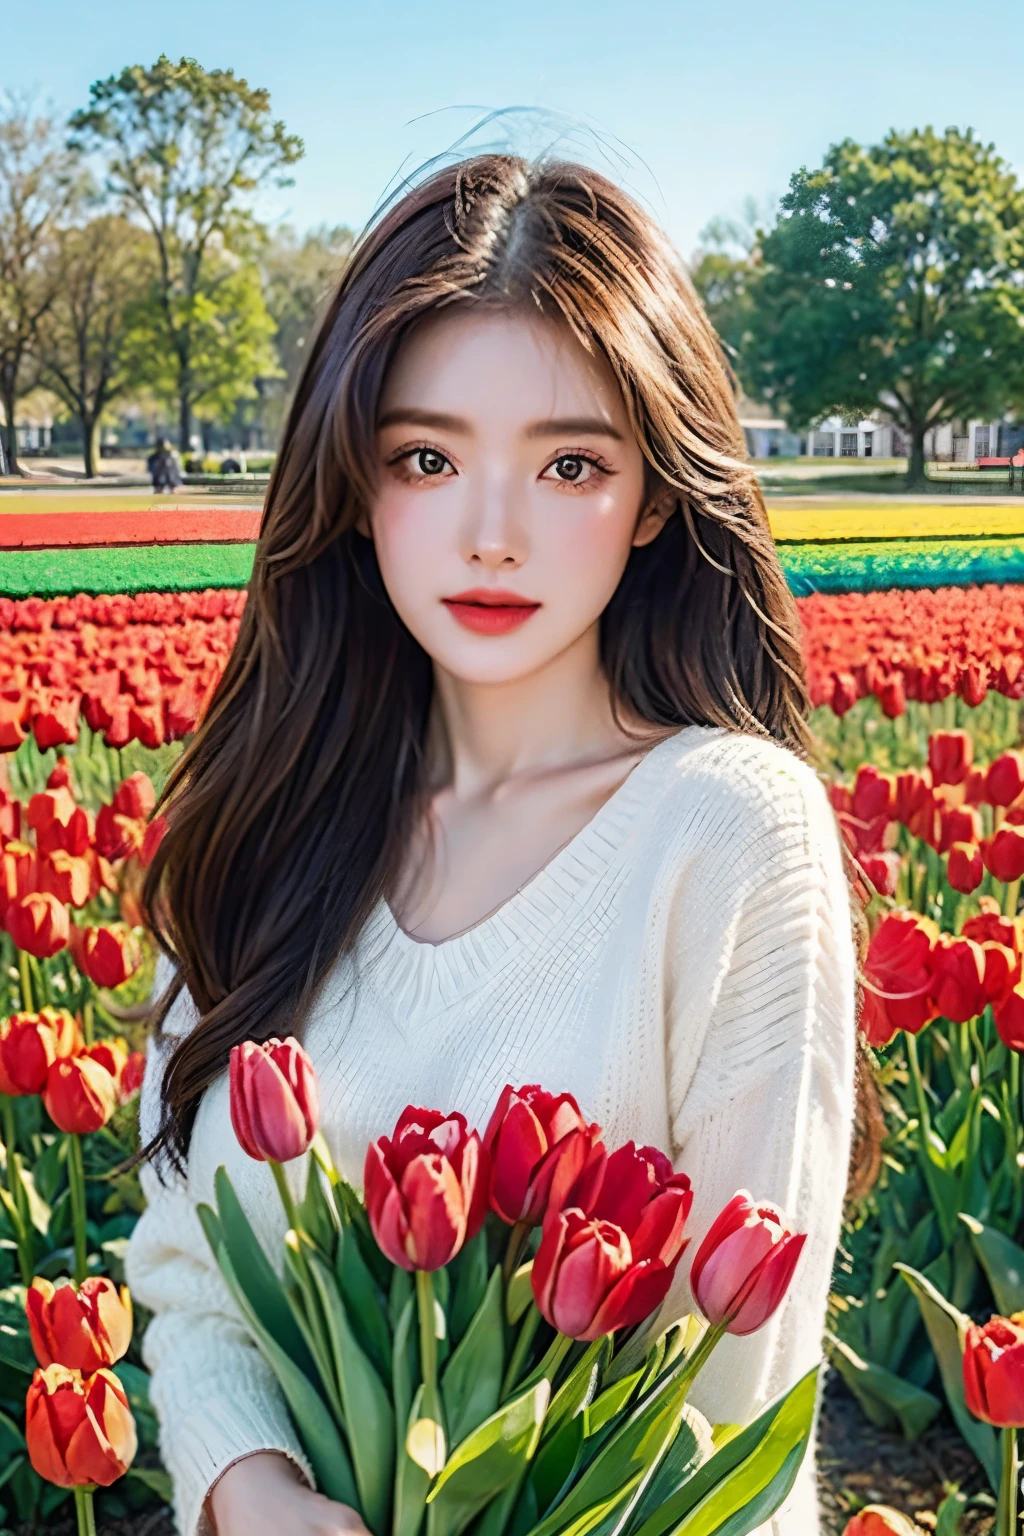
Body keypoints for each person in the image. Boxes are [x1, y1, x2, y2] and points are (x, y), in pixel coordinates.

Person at [125, 155, 858, 1536]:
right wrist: (256, 1491)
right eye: (428, 457)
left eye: (570, 463)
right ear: (353, 486)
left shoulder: (725, 835)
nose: (493, 534)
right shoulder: (273, 821)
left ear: (654, 498)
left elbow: (738, 1418)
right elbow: (188, 1280)